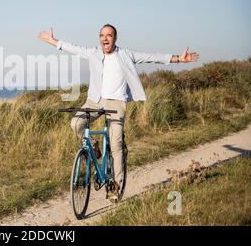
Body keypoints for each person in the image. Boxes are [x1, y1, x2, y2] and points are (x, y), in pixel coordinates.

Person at [38, 24, 199, 201]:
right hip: (95, 101)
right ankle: (93, 145)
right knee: (76, 123)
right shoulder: (93, 53)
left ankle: (115, 185)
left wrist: (179, 59)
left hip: (117, 103)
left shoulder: (126, 55)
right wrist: (53, 41)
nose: (105, 38)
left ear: (115, 38)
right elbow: (73, 48)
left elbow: (153, 57)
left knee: (115, 145)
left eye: (109, 35)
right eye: (102, 35)